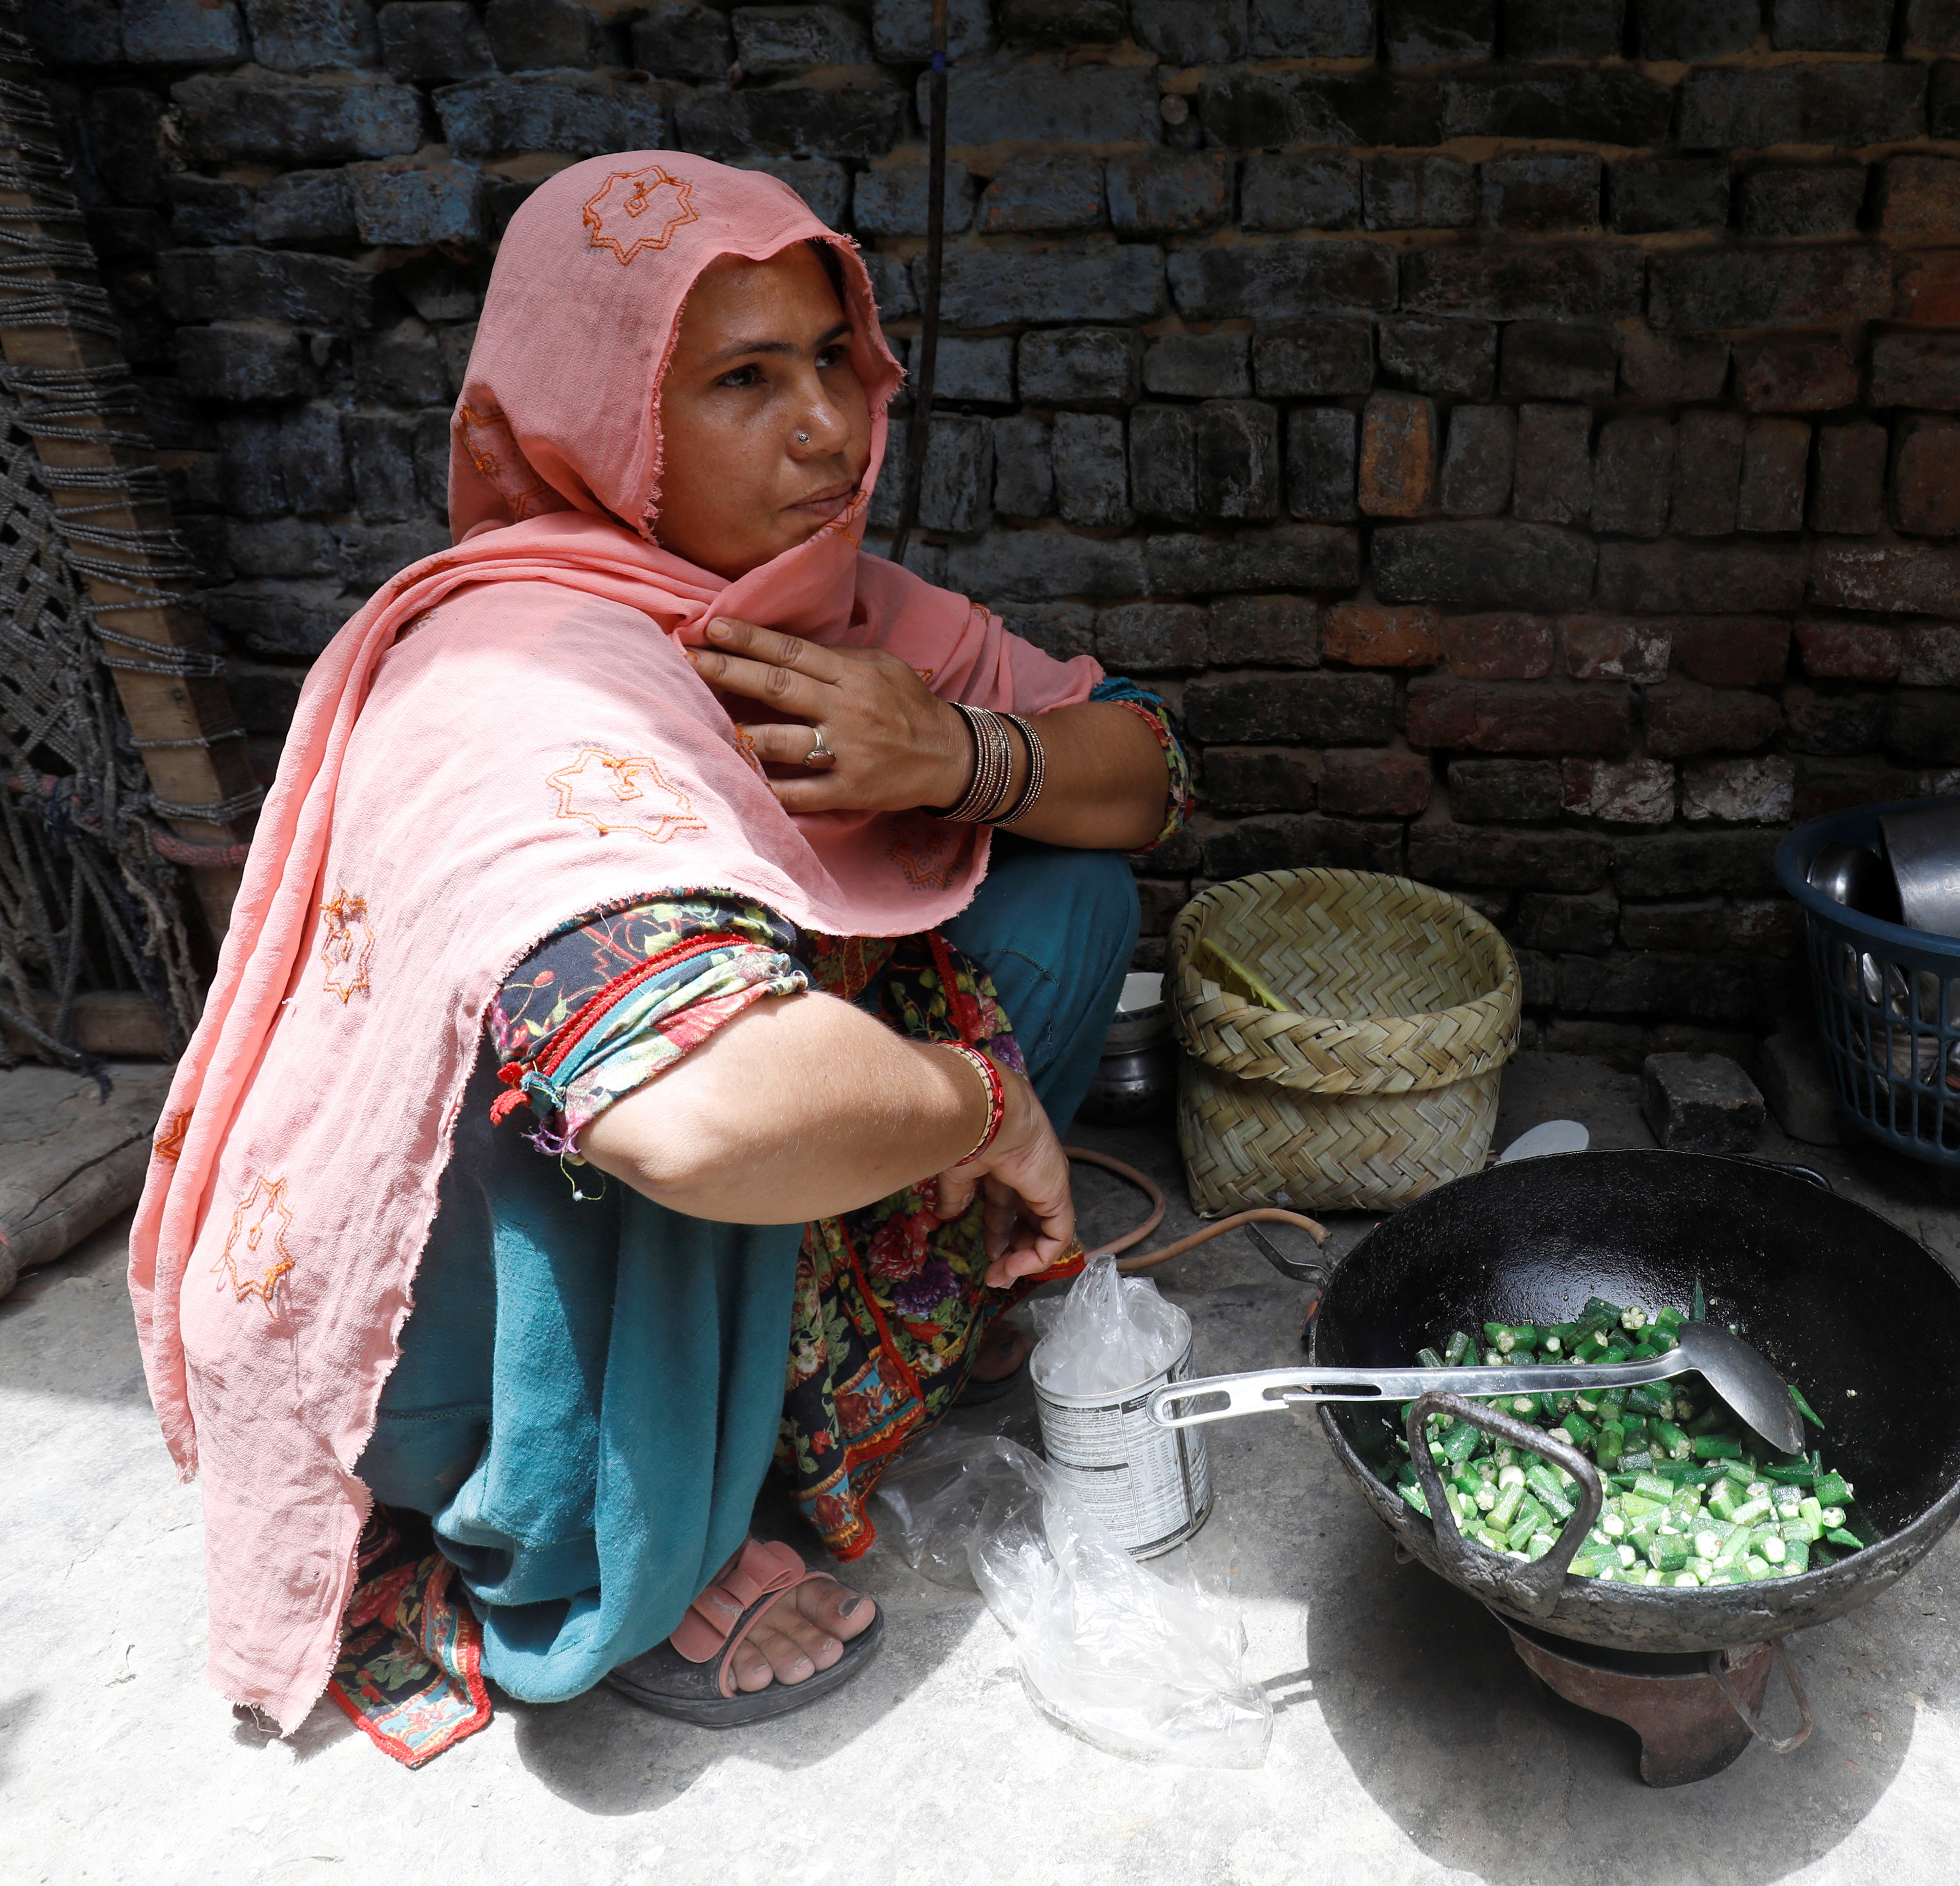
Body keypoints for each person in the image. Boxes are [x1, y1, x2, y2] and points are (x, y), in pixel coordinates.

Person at [129, 154, 1186, 1764]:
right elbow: (685, 1112)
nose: (829, 427)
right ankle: (616, 1521)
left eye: (835, 359)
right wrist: (982, 1105)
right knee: (650, 1071)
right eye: (744, 381)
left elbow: (1155, 777)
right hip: (487, 1315)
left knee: (1064, 900)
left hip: (726, 1140)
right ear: (598, 417)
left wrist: (963, 754)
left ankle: (783, 1382)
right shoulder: (518, 673)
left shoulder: (828, 610)